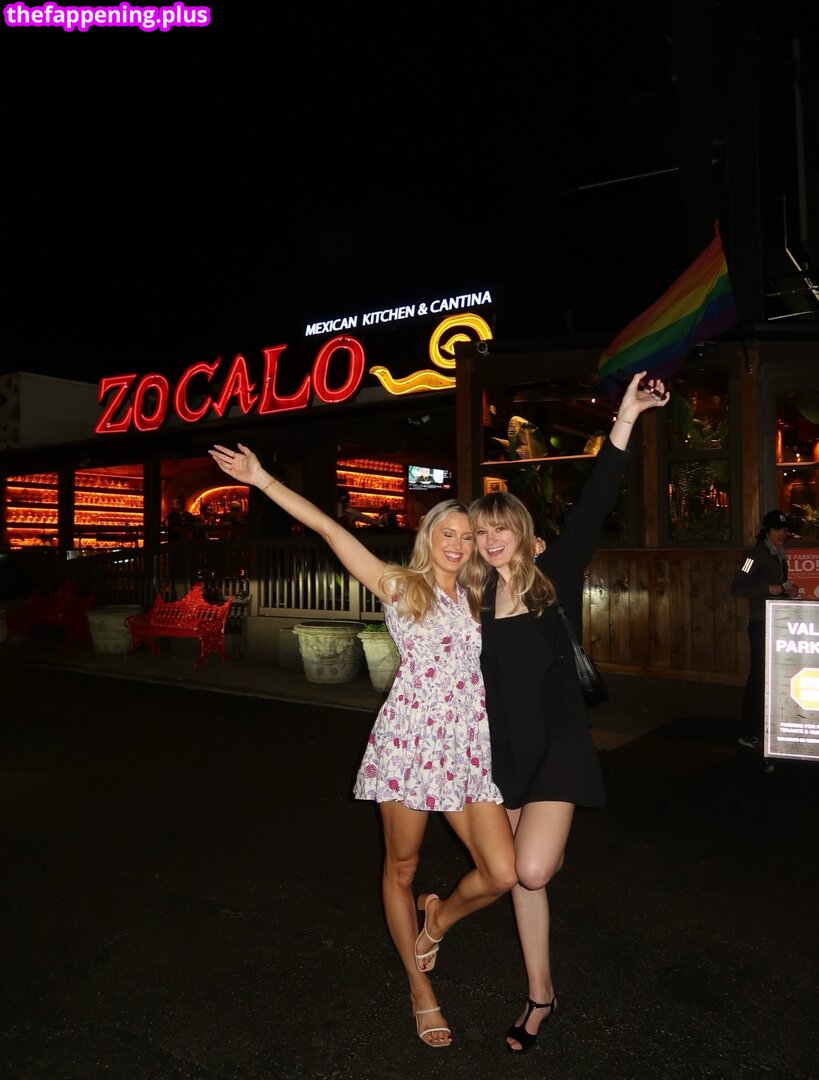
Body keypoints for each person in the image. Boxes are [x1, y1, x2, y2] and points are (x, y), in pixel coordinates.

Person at [209, 442, 517, 1049]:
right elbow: (329, 528)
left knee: (502, 873)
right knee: (401, 867)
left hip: (468, 750)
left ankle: (439, 917)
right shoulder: (398, 584)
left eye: (467, 536)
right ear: (428, 535)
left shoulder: (482, 594)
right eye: (447, 533)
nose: (457, 545)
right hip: (409, 745)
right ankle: (419, 988)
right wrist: (262, 478)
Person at [468, 370, 670, 1054]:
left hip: (557, 748)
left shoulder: (555, 574)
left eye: (501, 528)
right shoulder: (475, 602)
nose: (491, 539)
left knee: (530, 871)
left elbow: (597, 494)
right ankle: (540, 994)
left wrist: (626, 415)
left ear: (523, 532)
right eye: (482, 532)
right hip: (502, 756)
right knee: (520, 880)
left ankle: (534, 877)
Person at [729, 509, 797, 750]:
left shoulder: (780, 553)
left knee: (773, 677)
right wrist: (769, 589)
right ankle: (748, 732)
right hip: (760, 623)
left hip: (777, 622)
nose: (782, 534)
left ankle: (767, 729)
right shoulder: (755, 555)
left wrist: (788, 591)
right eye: (777, 529)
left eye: (785, 529)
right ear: (766, 530)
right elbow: (737, 587)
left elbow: (777, 588)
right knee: (759, 677)